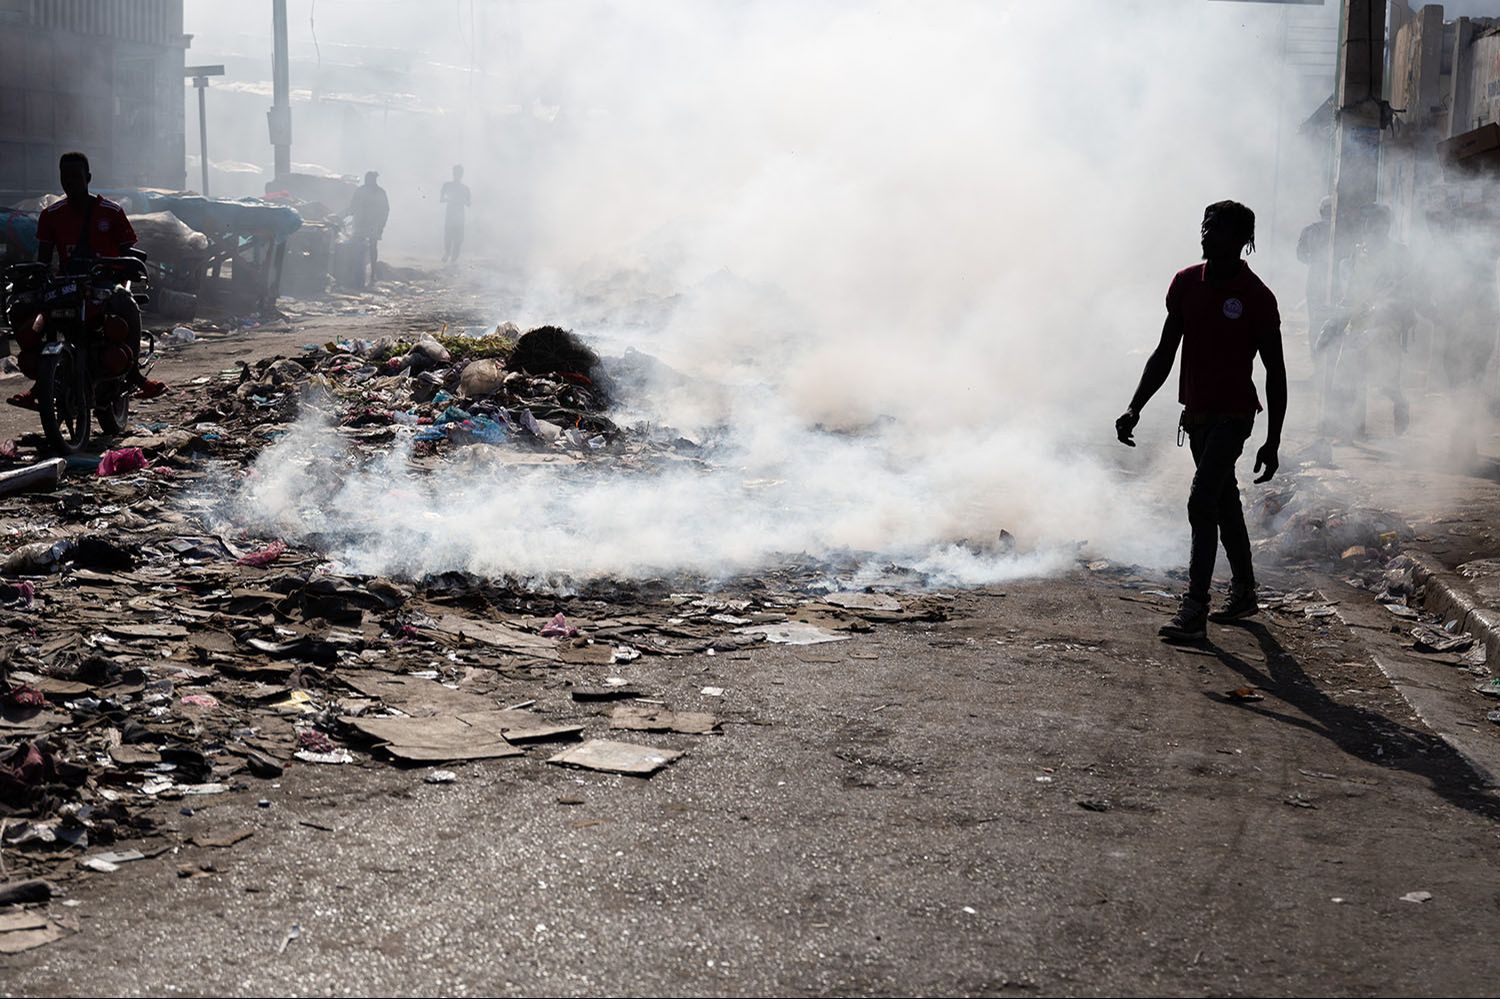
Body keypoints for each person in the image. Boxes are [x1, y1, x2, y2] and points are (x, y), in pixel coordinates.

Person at [1115, 200, 1288, 642]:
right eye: (1205, 227)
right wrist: (1135, 406)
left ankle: (1195, 609)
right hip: (1196, 417)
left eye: (1218, 229)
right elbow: (1164, 352)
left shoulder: (1257, 297)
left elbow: (1276, 372)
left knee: (1201, 500)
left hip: (1235, 416)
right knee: (1224, 501)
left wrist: (1273, 440)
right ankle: (1245, 591)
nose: (1207, 235)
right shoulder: (1186, 284)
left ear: (1243, 240)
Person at [9, 151, 165, 409]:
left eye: (76, 176)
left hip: (104, 286)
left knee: (127, 303)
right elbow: (44, 260)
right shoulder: (50, 215)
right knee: (21, 307)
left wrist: (128, 268)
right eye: (65, 176)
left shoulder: (111, 212)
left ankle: (135, 375)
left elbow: (127, 251)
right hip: (66, 286)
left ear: (88, 177)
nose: (70, 181)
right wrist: (32, 277)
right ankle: (41, 383)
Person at [1322, 203, 1413, 438]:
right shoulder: (1357, 254)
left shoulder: (1400, 254)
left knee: (1386, 380)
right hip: (1359, 321)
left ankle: (1400, 403)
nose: (1370, 227)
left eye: (1376, 222)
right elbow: (1350, 291)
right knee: (1349, 373)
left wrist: (1391, 307)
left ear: (1386, 226)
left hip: (1386, 322)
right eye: (1368, 223)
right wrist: (1337, 317)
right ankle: (1351, 428)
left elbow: (1408, 290)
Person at [1296, 196, 1334, 355]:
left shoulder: (1310, 230)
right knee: (1335, 318)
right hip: (1336, 279)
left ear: (1321, 211)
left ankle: (1316, 355)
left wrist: (1315, 261)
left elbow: (1301, 255)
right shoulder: (1344, 230)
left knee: (1315, 318)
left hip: (1316, 277)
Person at [348, 170, 390, 283]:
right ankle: (359, 273)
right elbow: (352, 206)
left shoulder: (380, 193)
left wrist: (381, 225)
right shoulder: (361, 191)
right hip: (360, 224)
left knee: (372, 248)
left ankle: (372, 274)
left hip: (373, 225)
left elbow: (385, 210)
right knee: (359, 248)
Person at [440, 164, 470, 263]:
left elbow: (469, 203)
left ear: (462, 174)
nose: (457, 175)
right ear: (453, 173)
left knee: (459, 239)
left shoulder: (465, 188)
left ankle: (453, 260)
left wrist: (463, 201)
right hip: (450, 214)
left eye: (459, 173)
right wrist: (450, 200)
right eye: (456, 172)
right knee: (448, 236)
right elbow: (441, 199)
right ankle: (447, 253)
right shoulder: (447, 185)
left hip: (460, 215)